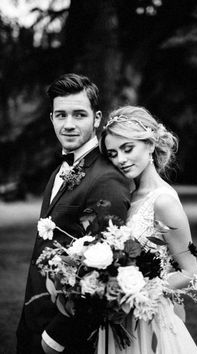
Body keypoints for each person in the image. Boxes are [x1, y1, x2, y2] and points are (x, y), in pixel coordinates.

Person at [16, 74, 131, 354]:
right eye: (61, 115)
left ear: (96, 118)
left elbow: (107, 274)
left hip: (65, 340)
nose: (68, 124)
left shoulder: (106, 179)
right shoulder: (61, 170)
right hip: (34, 316)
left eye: (79, 114)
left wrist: (53, 339)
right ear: (51, 118)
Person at [98, 105, 197, 353]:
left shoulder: (163, 201)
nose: (120, 159)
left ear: (151, 145)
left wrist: (136, 291)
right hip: (119, 319)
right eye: (112, 153)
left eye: (127, 148)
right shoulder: (128, 197)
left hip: (148, 320)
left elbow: (189, 272)